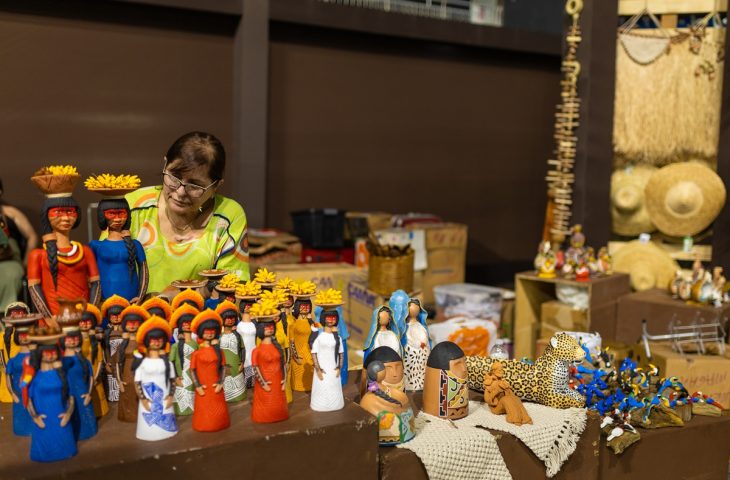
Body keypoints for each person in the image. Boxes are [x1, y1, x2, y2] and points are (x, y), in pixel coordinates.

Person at [122, 132, 250, 294]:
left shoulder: (229, 216)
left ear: (215, 187)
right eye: (174, 177)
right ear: (165, 165)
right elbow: (107, 268)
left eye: (195, 185)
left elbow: (232, 284)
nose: (180, 192)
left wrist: (171, 298)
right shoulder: (133, 206)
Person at [0, 179, 39, 311]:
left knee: (10, 274)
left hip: (9, 260)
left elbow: (31, 236)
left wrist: (26, 262)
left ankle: (6, 314)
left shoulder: (10, 213)